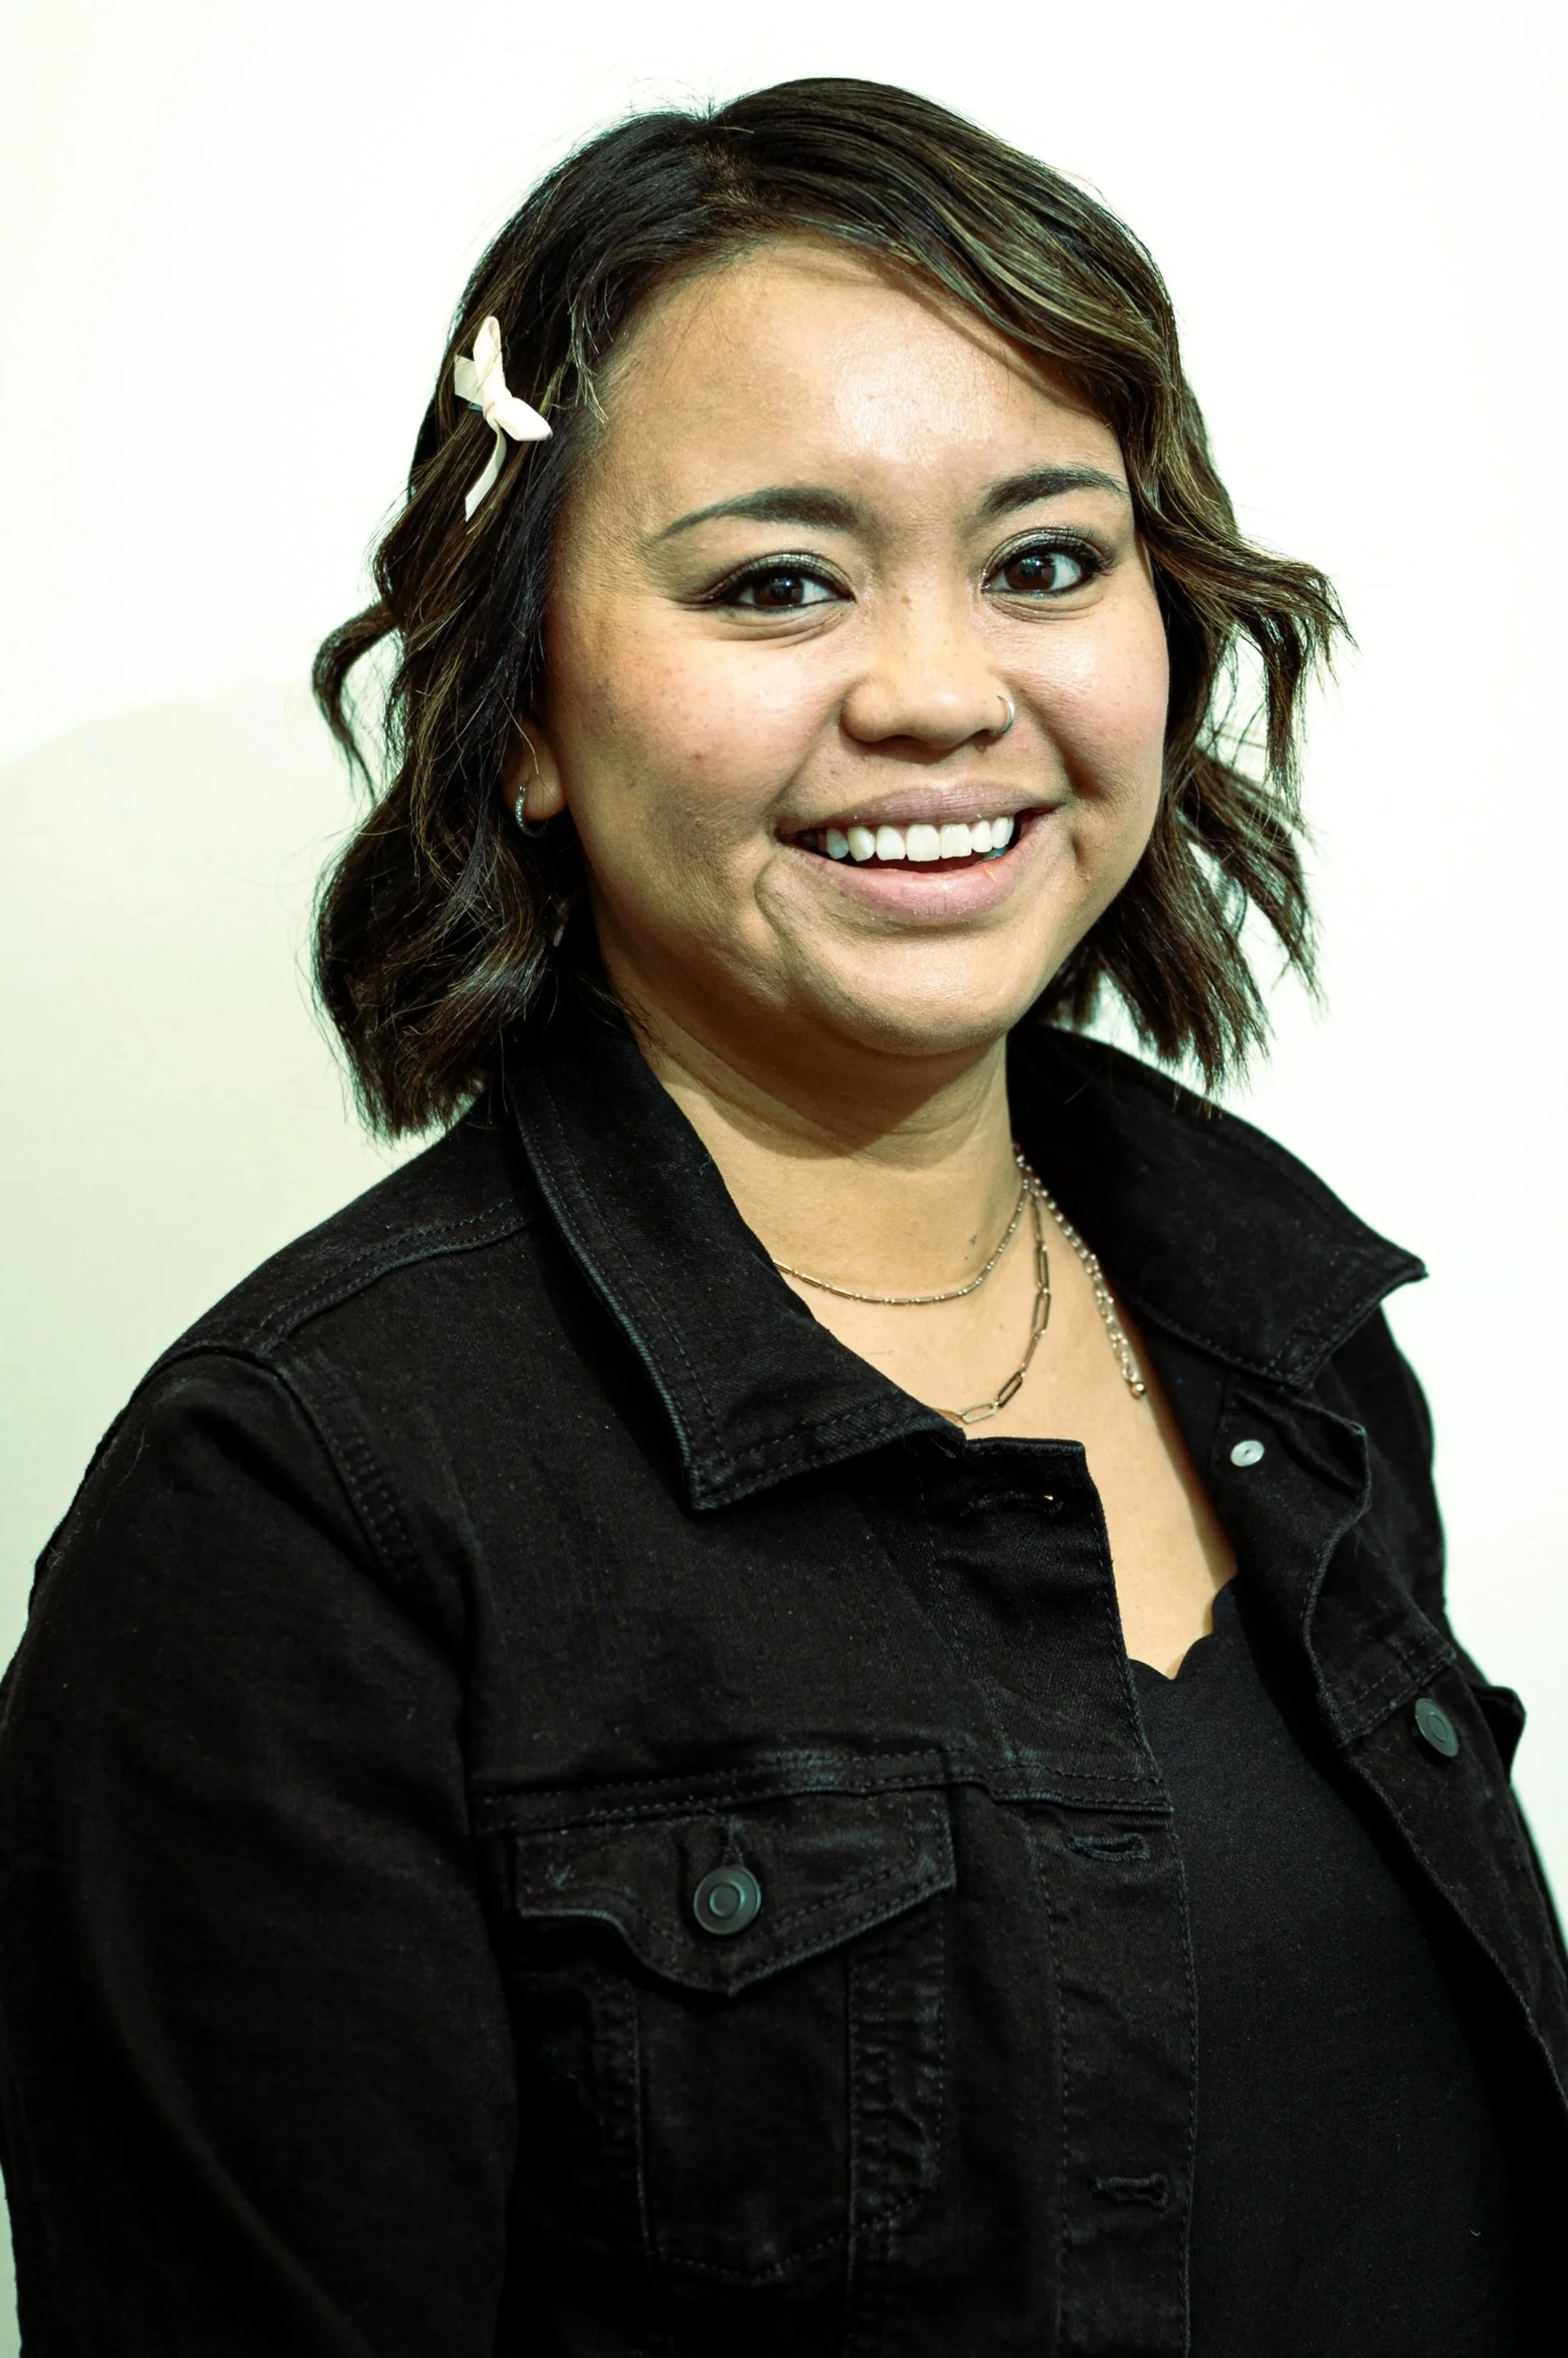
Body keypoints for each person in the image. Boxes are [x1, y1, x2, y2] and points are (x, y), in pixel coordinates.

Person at [0, 75, 1562, 2358]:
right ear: (523, 712)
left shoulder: (1287, 1335)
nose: (938, 693)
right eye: (775, 584)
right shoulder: (296, 1514)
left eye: (1044, 562)